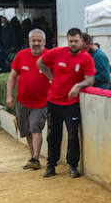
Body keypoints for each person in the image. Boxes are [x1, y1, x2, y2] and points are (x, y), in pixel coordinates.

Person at [38, 27, 96, 179]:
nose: (73, 44)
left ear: (81, 41)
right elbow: (40, 63)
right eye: (71, 41)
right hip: (53, 101)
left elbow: (90, 79)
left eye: (76, 41)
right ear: (67, 40)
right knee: (53, 134)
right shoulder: (57, 52)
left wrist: (78, 85)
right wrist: (50, 77)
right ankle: (51, 165)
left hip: (72, 103)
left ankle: (72, 165)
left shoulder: (86, 58)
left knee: (72, 134)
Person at [6, 28, 49, 170]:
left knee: (36, 127)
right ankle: (33, 158)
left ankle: (36, 157)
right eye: (33, 41)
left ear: (44, 42)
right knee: (27, 131)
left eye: (39, 41)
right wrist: (9, 96)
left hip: (41, 102)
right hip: (22, 101)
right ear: (29, 42)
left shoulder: (50, 56)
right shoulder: (21, 55)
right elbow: (12, 76)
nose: (36, 43)